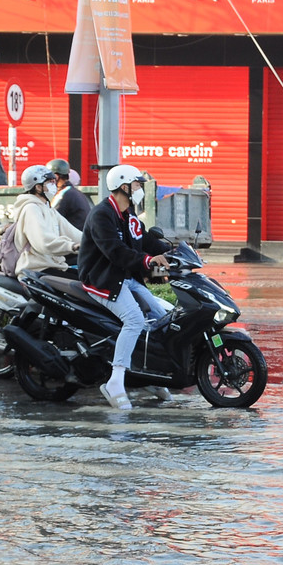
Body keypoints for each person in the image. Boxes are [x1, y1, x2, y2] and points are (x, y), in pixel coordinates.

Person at [77, 163, 174, 410]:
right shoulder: (102, 215)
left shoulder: (128, 215)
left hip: (126, 278)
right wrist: (148, 261)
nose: (140, 188)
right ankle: (115, 382)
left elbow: (145, 240)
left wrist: (173, 251)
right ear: (123, 186)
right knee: (134, 320)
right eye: (137, 184)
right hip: (103, 279)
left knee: (162, 317)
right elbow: (116, 252)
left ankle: (148, 375)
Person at [12, 164, 82, 279]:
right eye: (50, 182)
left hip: (54, 267)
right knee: (81, 285)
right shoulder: (31, 209)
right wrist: (71, 246)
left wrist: (92, 241)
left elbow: (72, 232)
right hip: (36, 270)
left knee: (89, 279)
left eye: (54, 182)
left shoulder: (49, 209)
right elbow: (43, 242)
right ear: (38, 187)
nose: (54, 185)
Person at [47, 158, 94, 231]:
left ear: (56, 176)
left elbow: (50, 219)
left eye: (48, 178)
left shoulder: (63, 194)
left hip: (72, 237)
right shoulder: (76, 192)